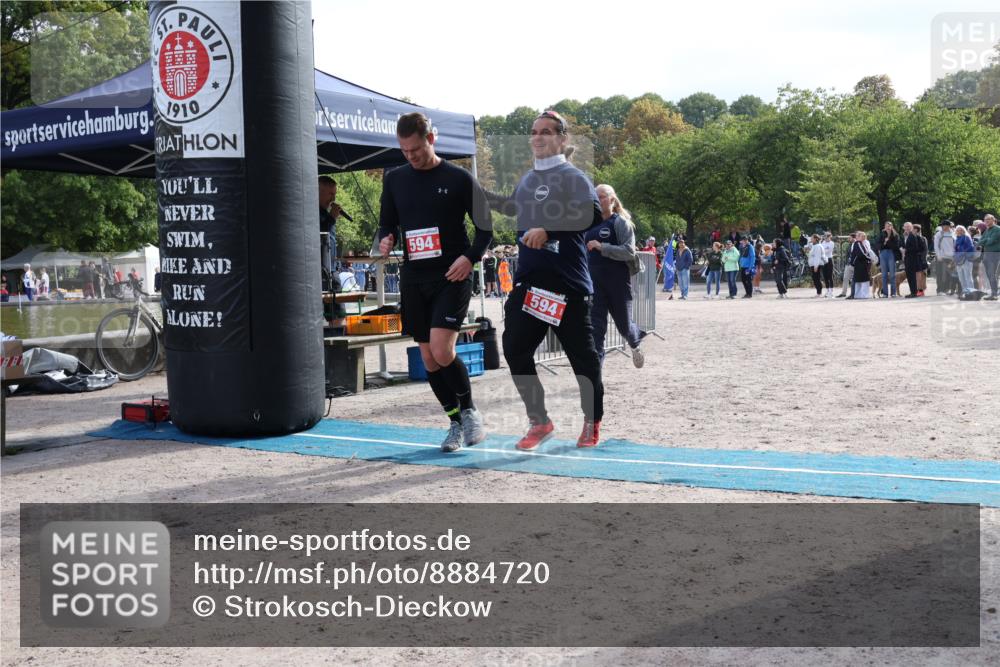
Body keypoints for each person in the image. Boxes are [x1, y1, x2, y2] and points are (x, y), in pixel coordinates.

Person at [378, 111, 492, 452]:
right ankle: (454, 422)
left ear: (431, 139)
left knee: (443, 350)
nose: (410, 156)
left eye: (415, 149)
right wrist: (386, 240)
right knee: (428, 359)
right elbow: (387, 224)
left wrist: (468, 258)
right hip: (415, 277)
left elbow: (485, 229)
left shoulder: (458, 178)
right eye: (404, 151)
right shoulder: (395, 179)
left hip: (451, 275)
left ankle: (470, 412)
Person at [496, 110, 604, 450]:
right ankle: (540, 421)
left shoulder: (573, 176)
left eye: (546, 131)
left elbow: (592, 213)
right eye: (534, 131)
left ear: (562, 138)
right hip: (530, 284)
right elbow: (512, 211)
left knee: (582, 360)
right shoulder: (527, 180)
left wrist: (549, 230)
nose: (538, 137)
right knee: (515, 349)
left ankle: (592, 420)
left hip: (568, 286)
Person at [586, 184, 646, 367]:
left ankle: (635, 342)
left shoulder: (620, 223)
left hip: (617, 283)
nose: (597, 200)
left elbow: (629, 252)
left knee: (624, 325)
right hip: (594, 285)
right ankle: (595, 375)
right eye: (595, 196)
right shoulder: (588, 224)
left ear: (612, 199)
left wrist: (602, 247)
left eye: (601, 196)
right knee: (596, 331)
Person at [318, 175, 346, 327]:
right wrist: (332, 218)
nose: (333, 199)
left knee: (338, 313)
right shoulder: (313, 213)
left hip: (331, 267)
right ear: (318, 191)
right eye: (330, 194)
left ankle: (336, 333)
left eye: (334, 194)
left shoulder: (325, 214)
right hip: (322, 270)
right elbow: (320, 233)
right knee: (336, 314)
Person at [977, 213, 1000, 300]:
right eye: (985, 220)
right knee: (989, 275)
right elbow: (980, 242)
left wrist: (984, 241)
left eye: (988, 219)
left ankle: (994, 294)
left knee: (993, 274)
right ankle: (993, 293)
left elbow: (991, 241)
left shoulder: (997, 229)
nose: (986, 221)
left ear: (993, 220)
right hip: (987, 254)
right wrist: (985, 240)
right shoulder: (986, 230)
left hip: (995, 254)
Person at [850, 231, 876, 299]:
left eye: (864, 236)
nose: (864, 238)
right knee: (864, 279)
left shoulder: (862, 243)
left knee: (858, 280)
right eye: (862, 236)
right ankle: (864, 295)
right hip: (860, 263)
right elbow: (861, 254)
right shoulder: (858, 243)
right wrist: (870, 258)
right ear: (858, 237)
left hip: (860, 263)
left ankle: (858, 295)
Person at [877, 221, 901, 297]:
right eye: (886, 226)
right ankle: (885, 293)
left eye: (889, 226)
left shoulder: (895, 235)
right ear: (884, 227)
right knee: (884, 274)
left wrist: (888, 241)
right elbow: (878, 245)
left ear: (892, 227)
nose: (888, 227)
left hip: (891, 254)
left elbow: (896, 246)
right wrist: (884, 242)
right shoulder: (881, 234)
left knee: (892, 274)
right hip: (883, 254)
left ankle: (893, 293)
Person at [953, 225, 976, 297]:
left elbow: (971, 247)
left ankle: (971, 292)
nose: (959, 231)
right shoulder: (956, 239)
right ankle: (965, 292)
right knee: (961, 278)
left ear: (963, 231)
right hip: (958, 260)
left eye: (961, 230)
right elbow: (955, 250)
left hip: (966, 260)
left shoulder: (967, 237)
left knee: (968, 277)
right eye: (957, 230)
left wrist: (962, 253)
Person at [935, 221, 956, 295]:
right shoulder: (939, 234)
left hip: (951, 258)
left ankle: (947, 289)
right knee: (940, 274)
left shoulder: (954, 233)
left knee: (949, 274)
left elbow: (955, 245)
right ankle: (940, 290)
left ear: (948, 226)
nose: (943, 227)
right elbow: (936, 246)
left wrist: (954, 256)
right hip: (942, 257)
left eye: (944, 225)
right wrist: (938, 255)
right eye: (942, 225)